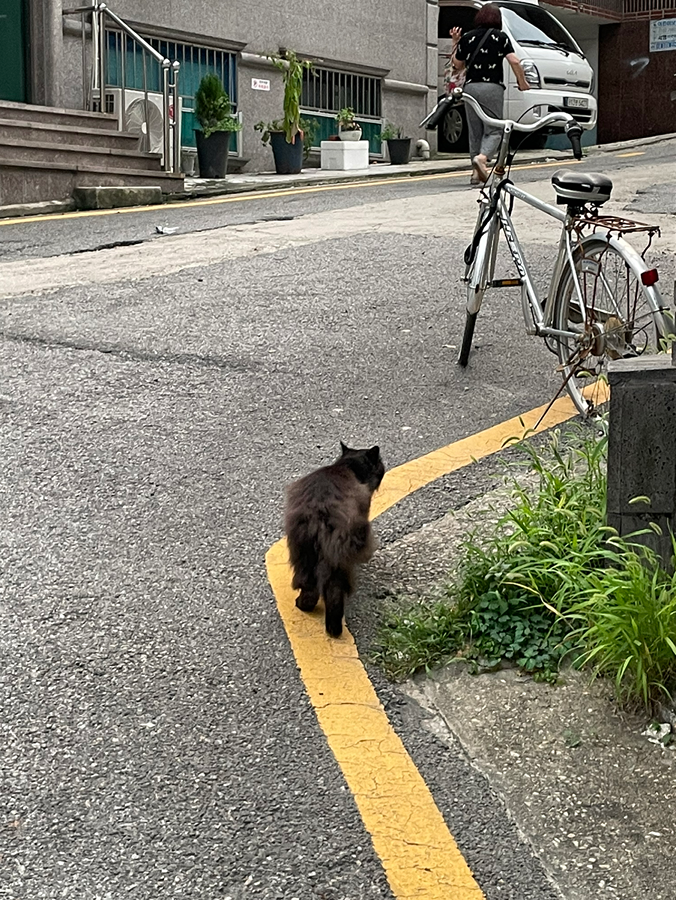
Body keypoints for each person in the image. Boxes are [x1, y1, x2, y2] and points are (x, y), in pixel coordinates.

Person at [453, 4, 530, 185]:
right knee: (494, 129)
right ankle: (482, 158)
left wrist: (456, 41)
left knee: (475, 131)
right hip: (492, 87)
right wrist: (522, 81)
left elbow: (458, 65)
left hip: (470, 89)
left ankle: (474, 173)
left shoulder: (468, 37)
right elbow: (514, 60)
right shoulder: (501, 37)